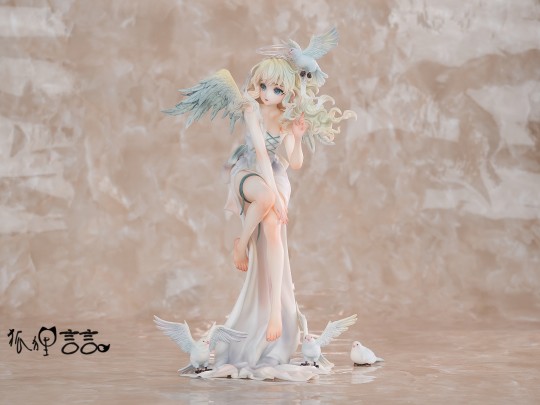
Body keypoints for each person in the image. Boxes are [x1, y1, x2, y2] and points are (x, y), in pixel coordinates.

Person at [163, 34, 355, 381]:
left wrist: (297, 137)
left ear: (287, 93)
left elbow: (293, 162)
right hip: (248, 171)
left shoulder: (286, 117)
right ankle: (241, 243)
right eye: (263, 86)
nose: (267, 94)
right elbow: (262, 155)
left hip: (277, 175)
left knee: (274, 231)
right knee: (266, 200)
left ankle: (276, 313)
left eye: (276, 90)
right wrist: (276, 197)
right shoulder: (251, 109)